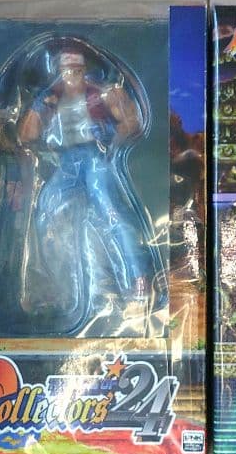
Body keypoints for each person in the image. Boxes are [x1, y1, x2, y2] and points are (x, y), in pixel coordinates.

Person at [16, 49, 156, 302]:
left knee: (110, 210)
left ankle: (139, 277)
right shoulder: (51, 97)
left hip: (95, 158)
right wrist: (37, 107)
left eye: (77, 72)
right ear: (59, 73)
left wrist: (112, 138)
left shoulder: (100, 94)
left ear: (84, 71)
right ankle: (57, 283)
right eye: (66, 72)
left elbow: (132, 123)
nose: (72, 77)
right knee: (46, 207)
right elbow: (27, 136)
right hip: (67, 161)